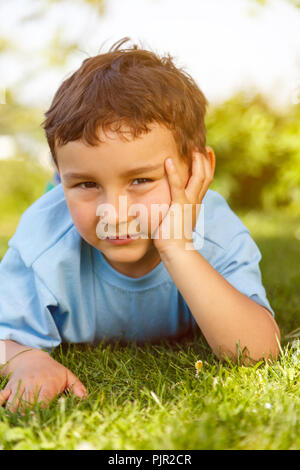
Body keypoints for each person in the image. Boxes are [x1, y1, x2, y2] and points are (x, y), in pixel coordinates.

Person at [0, 37, 280, 412]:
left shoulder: (216, 232)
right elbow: (5, 333)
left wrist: (178, 250)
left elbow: (258, 352)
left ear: (199, 170)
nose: (113, 213)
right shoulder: (44, 244)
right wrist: (24, 358)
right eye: (86, 183)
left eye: (140, 180)